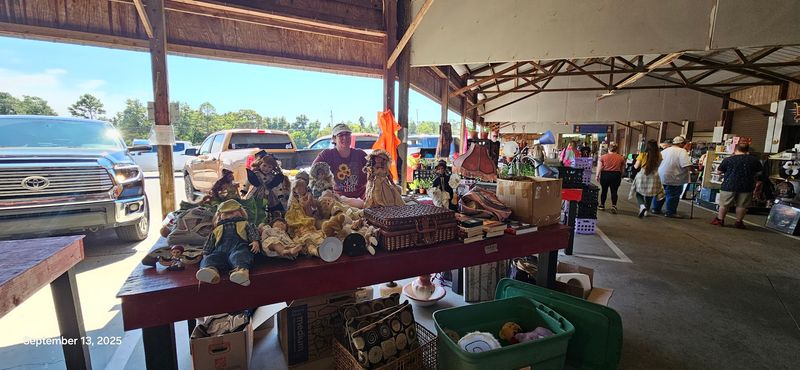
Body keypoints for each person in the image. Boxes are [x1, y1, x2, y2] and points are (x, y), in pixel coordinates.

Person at [312, 123, 368, 205]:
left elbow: (374, 171)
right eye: (340, 135)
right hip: (338, 199)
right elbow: (313, 172)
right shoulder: (327, 155)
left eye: (347, 134)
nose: (345, 137)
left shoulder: (360, 154)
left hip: (363, 198)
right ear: (334, 139)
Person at [711, 144, 763, 228]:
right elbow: (759, 172)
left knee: (724, 204)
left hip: (729, 185)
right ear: (747, 150)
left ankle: (720, 220)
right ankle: (739, 222)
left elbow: (719, 172)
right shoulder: (754, 160)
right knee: (742, 205)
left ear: (735, 149)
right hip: (747, 185)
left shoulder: (728, 159)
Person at [652, 136, 692, 218]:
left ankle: (655, 209)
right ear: (681, 143)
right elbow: (686, 165)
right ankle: (670, 212)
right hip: (674, 177)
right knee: (672, 195)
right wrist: (694, 171)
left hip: (661, 176)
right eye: (684, 143)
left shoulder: (665, 151)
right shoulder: (682, 151)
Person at [629, 140, 662, 218]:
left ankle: (642, 206)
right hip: (654, 176)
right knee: (649, 194)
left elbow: (636, 166)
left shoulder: (642, 154)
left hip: (642, 175)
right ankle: (646, 211)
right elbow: (659, 165)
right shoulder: (659, 155)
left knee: (638, 192)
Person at [595, 142, 625, 213]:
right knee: (614, 191)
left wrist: (597, 175)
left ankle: (602, 205)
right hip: (616, 175)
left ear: (608, 149)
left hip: (605, 175)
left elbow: (599, 167)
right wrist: (621, 175)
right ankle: (614, 206)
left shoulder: (603, 157)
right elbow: (622, 169)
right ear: (616, 150)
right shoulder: (621, 158)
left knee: (604, 190)